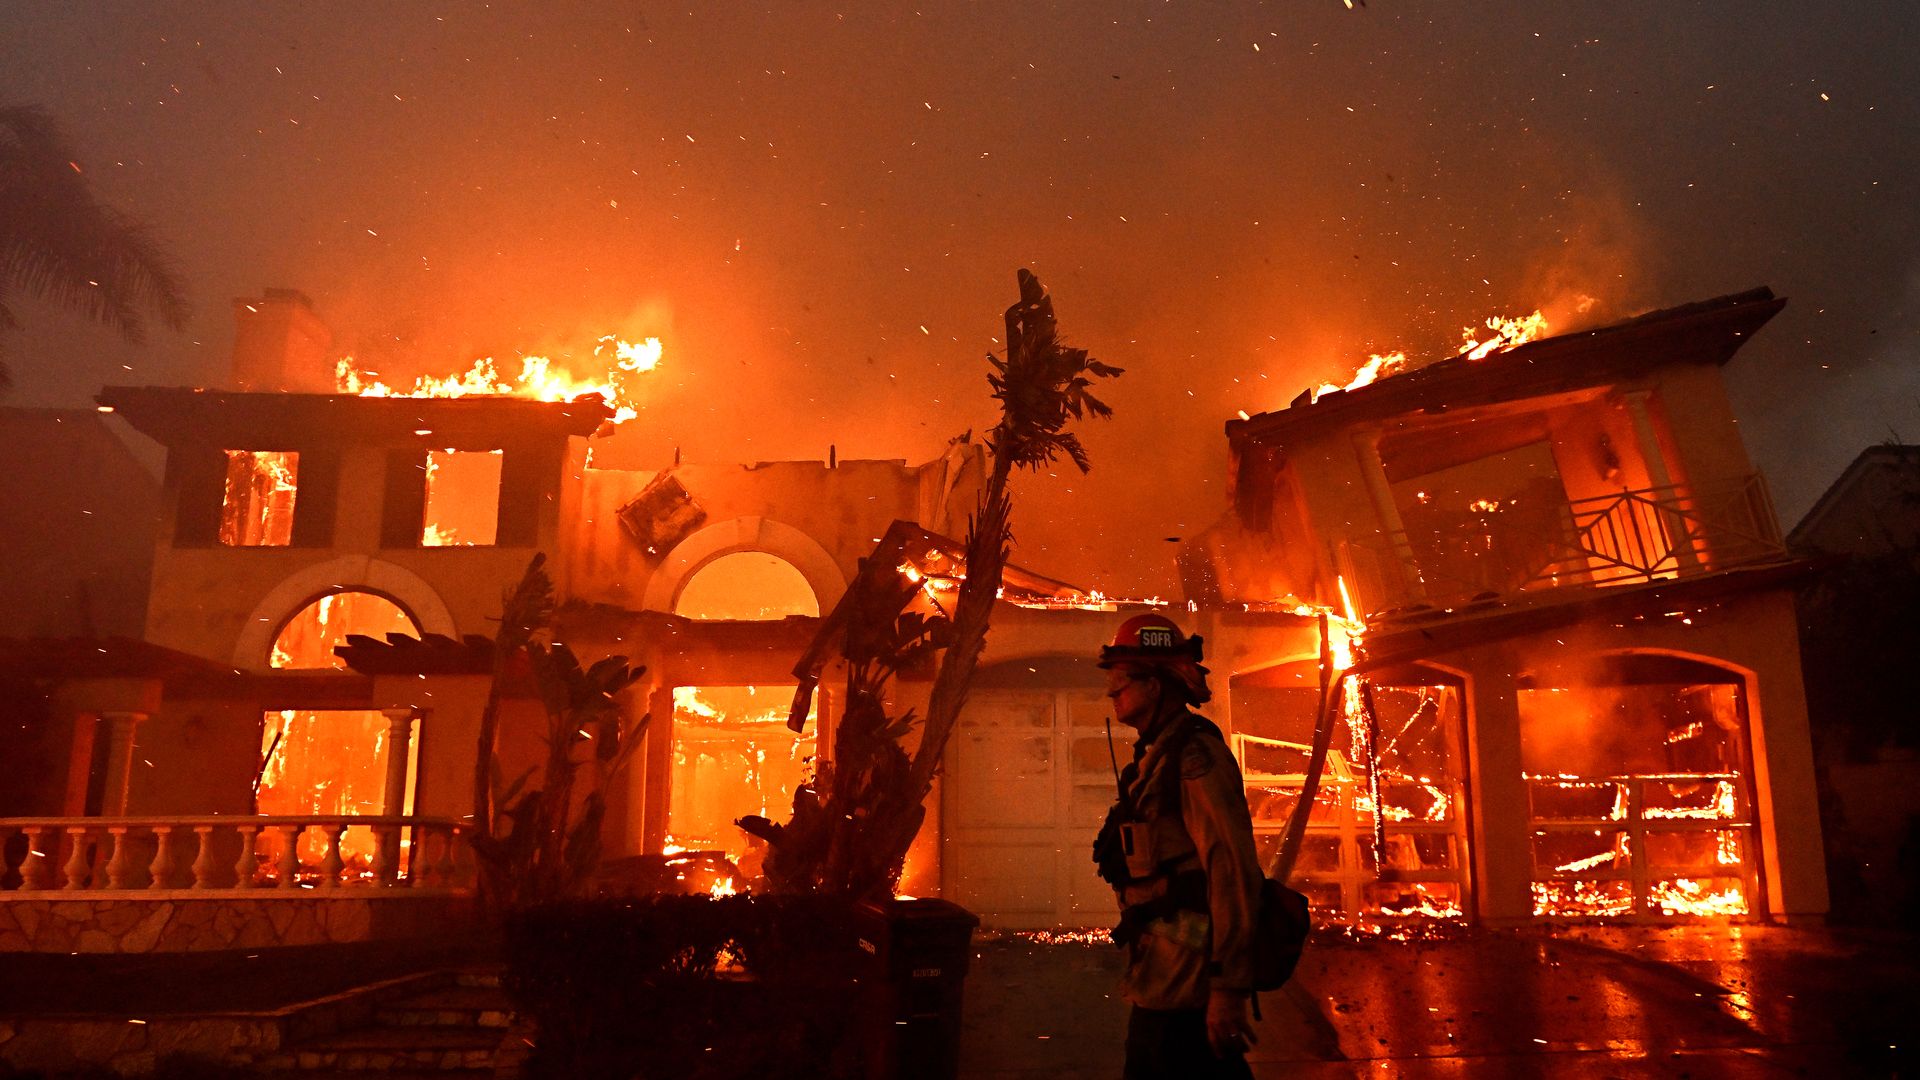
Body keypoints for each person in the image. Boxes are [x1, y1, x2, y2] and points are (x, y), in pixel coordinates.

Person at [1093, 613, 1264, 1079]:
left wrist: (1228, 987)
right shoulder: (1157, 756)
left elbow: (1231, 867)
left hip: (1190, 986)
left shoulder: (1194, 756)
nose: (1112, 691)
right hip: (1160, 980)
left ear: (1155, 685)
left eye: (1123, 678)